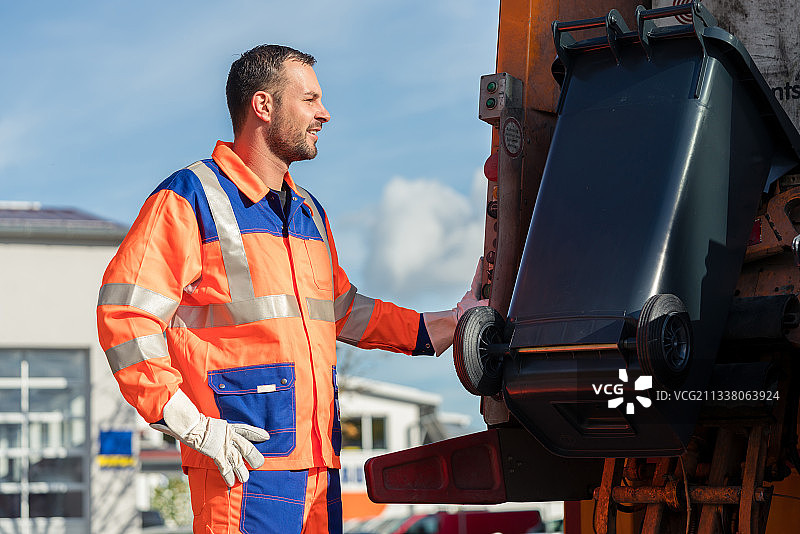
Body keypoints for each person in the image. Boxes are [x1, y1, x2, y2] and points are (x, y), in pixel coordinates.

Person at [96, 44, 483, 534]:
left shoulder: (309, 211)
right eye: (310, 99)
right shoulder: (190, 197)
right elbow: (124, 315)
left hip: (320, 469)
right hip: (241, 466)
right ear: (264, 105)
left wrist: (452, 325)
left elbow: (344, 310)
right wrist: (191, 425)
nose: (324, 113)